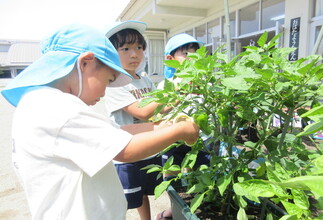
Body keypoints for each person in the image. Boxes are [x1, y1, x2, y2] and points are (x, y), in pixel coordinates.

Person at [0, 24, 199, 220]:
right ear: (85, 63)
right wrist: (180, 129)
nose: (105, 91)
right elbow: (125, 150)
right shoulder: (57, 107)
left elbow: (117, 131)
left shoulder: (41, 101)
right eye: (109, 80)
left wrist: (160, 126)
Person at [103, 20, 174, 220]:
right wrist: (176, 96)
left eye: (139, 47)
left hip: (147, 147)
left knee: (144, 192)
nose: (134, 54)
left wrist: (173, 105)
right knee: (127, 198)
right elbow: (143, 112)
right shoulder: (114, 82)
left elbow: (157, 109)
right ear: (112, 52)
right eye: (125, 48)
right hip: (128, 152)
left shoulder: (145, 80)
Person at [155, 33, 210, 220]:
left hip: (200, 140)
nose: (192, 58)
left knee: (202, 175)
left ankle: (196, 207)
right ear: (170, 59)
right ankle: (174, 209)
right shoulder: (166, 84)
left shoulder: (204, 82)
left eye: (195, 53)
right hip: (174, 139)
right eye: (186, 53)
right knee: (172, 178)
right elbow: (159, 111)